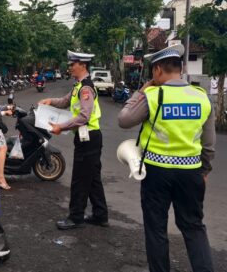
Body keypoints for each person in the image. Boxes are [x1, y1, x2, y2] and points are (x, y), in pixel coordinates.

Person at [118, 43, 215, 272]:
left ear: (158, 70)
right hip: (191, 172)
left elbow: (124, 120)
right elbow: (209, 144)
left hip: (157, 173)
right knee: (193, 227)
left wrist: (142, 90)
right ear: (179, 69)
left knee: (156, 229)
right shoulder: (201, 97)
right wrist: (205, 171)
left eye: (153, 71)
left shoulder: (152, 95)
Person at [38, 50, 108, 230]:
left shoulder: (85, 88)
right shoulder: (78, 86)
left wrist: (61, 127)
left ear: (82, 65)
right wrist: (49, 101)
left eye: (72, 64)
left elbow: (84, 116)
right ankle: (100, 215)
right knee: (92, 178)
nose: (69, 68)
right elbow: (64, 101)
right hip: (88, 137)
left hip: (89, 137)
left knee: (80, 179)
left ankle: (76, 217)